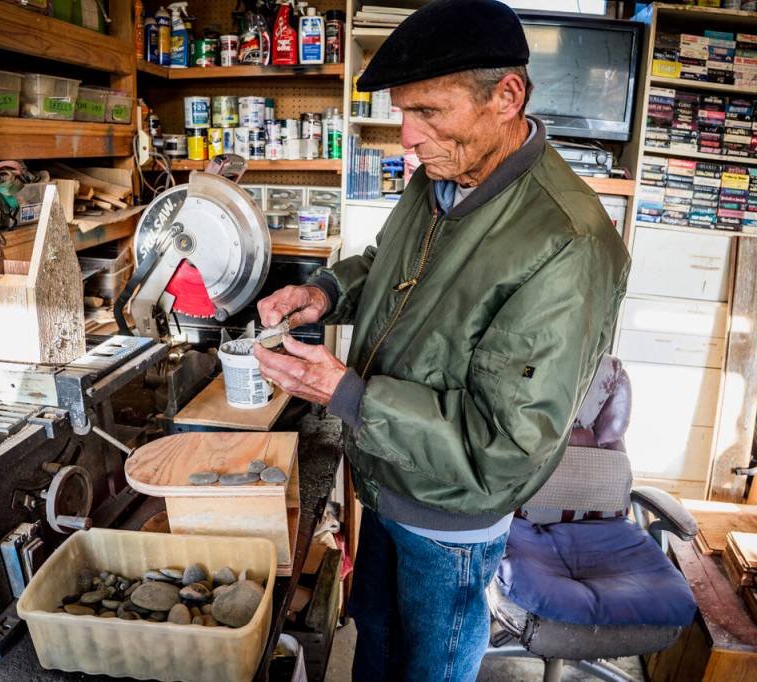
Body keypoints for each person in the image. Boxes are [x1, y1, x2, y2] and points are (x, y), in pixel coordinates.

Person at [253, 0, 630, 678]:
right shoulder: (446, 175)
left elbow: (505, 445)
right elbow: (390, 268)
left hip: (450, 521)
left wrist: (351, 395)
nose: (407, 137)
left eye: (428, 111)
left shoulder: (566, 244)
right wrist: (327, 292)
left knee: (429, 668)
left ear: (507, 97)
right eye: (403, 112)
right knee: (376, 644)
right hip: (387, 477)